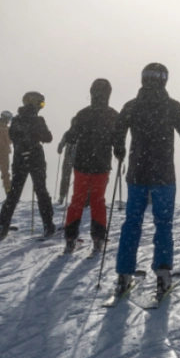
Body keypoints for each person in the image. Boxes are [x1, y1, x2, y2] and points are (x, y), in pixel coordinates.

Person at [110, 63, 180, 298]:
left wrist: (119, 149)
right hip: (163, 174)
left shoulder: (131, 106)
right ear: (164, 81)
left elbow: (117, 132)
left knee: (132, 221)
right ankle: (162, 275)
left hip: (137, 173)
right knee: (163, 222)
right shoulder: (171, 106)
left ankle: (124, 276)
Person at [62, 79, 119, 254]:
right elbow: (117, 140)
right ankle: (98, 238)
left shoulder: (83, 114)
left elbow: (72, 137)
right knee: (98, 201)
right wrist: (119, 152)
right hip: (101, 165)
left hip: (82, 164)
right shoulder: (112, 114)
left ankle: (70, 238)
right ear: (108, 93)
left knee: (77, 200)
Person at [0, 92, 55, 238]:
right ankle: (48, 226)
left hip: (19, 159)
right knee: (41, 190)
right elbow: (48, 138)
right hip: (36, 158)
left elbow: (12, 136)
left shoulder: (16, 120)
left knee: (14, 193)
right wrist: (37, 135)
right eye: (41, 103)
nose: (41, 107)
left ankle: (3, 226)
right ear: (34, 103)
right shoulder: (38, 120)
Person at [56, 126, 75, 205]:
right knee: (80, 178)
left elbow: (61, 144)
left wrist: (60, 148)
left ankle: (62, 195)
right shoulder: (83, 132)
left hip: (68, 157)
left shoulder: (68, 133)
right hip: (80, 159)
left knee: (65, 177)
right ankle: (83, 198)